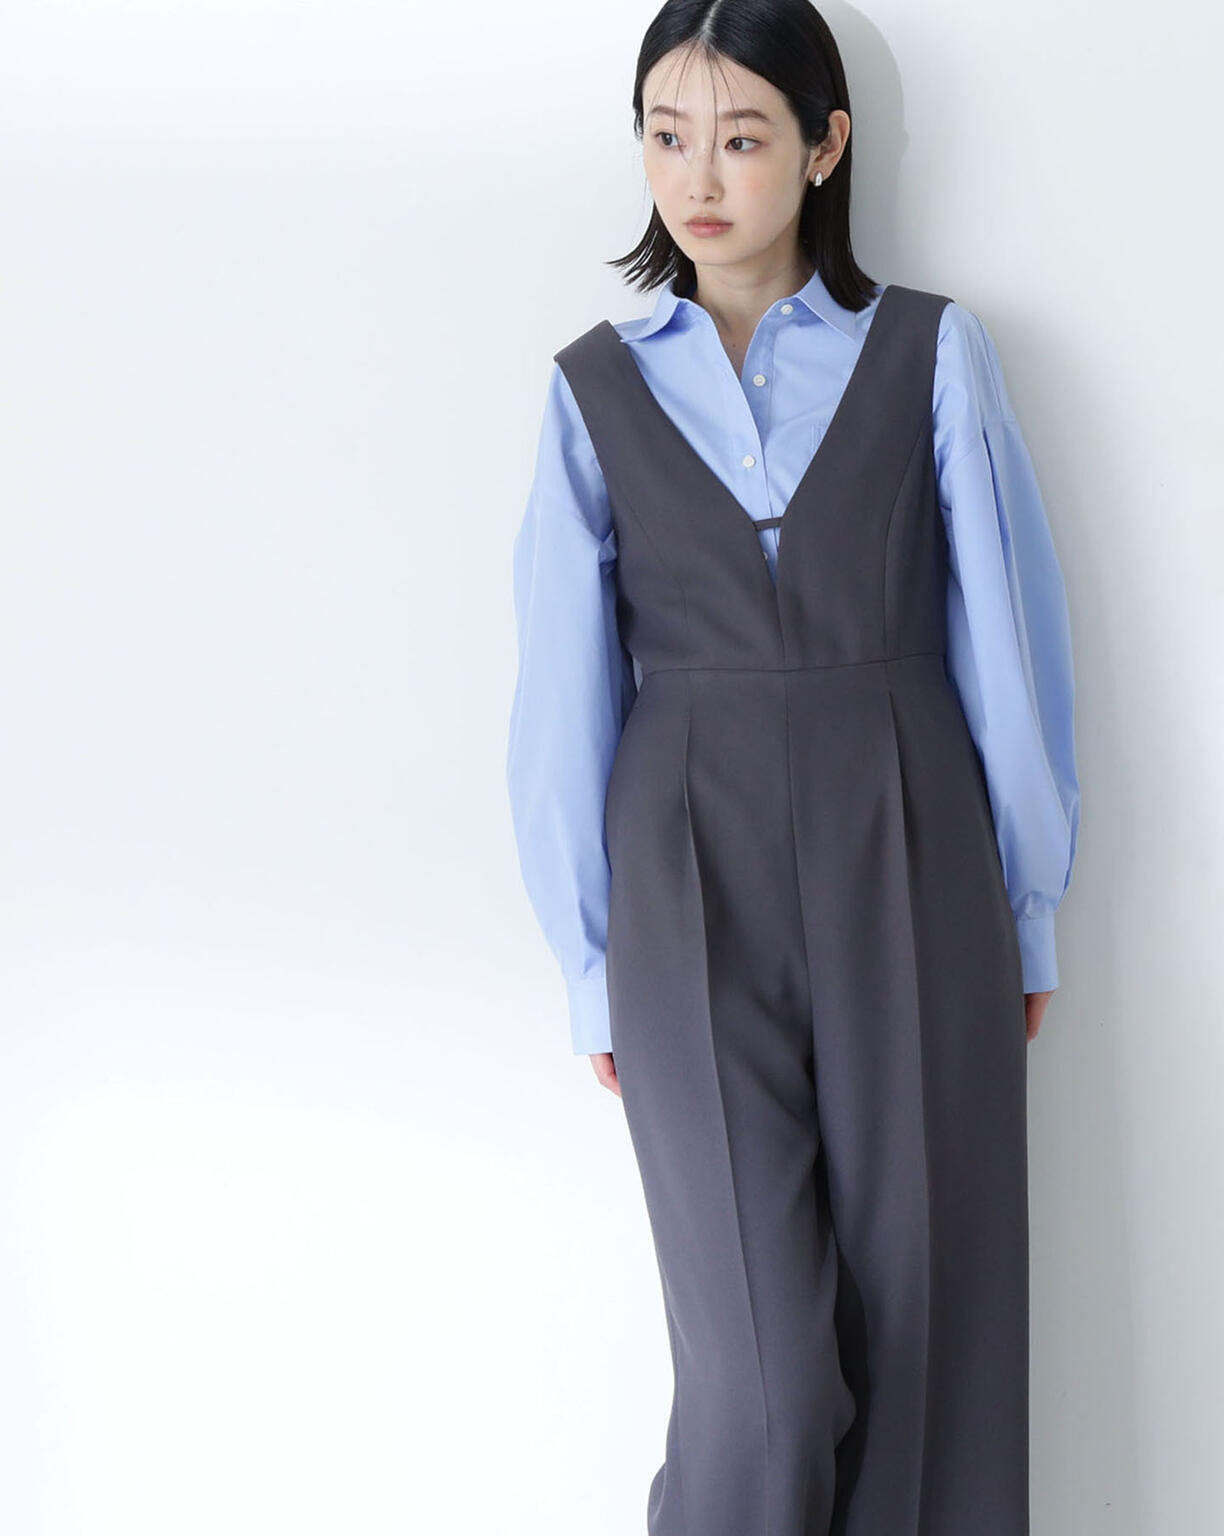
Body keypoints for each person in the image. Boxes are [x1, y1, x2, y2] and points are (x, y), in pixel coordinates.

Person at [505, 2, 1080, 1532]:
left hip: (916, 861)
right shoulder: (592, 391)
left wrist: (1028, 910)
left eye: (742, 136)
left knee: (928, 1347)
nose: (698, 177)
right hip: (687, 885)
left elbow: (1011, 647)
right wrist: (591, 963)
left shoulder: (934, 354)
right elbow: (558, 706)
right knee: (764, 1385)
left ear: (825, 148)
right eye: (667, 135)